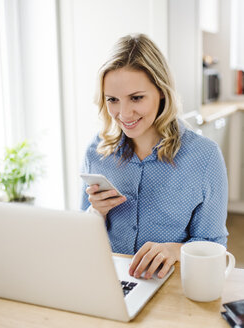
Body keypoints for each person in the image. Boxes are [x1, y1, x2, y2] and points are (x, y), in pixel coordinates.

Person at [80, 34, 228, 281]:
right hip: (107, 282)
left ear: (161, 92)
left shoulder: (204, 157)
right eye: (113, 100)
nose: (124, 113)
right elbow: (83, 234)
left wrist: (173, 250)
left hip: (171, 285)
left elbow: (214, 246)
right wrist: (96, 213)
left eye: (136, 98)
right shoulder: (96, 151)